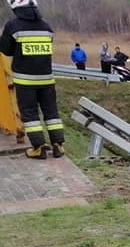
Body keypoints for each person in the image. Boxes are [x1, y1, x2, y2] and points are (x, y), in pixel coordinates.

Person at [0, 0, 65, 159]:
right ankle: (58, 145)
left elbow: (6, 51)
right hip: (47, 79)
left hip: (25, 81)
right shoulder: (46, 26)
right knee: (51, 112)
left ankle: (38, 147)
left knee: (30, 114)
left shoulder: (13, 26)